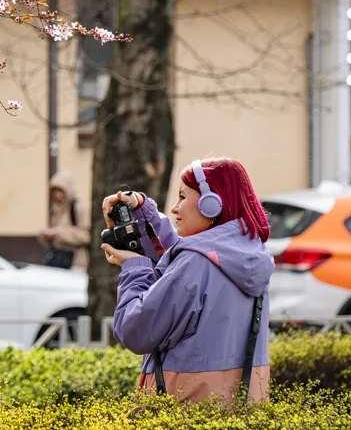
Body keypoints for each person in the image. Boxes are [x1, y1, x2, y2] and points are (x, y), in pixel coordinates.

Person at [99, 157, 273, 406]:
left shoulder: (194, 265)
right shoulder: (250, 252)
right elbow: (180, 261)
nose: (174, 208)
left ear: (211, 204)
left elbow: (134, 330)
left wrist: (133, 268)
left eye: (182, 197)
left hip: (185, 408)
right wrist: (141, 209)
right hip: (240, 407)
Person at [39, 170, 89, 270]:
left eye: (60, 191)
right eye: (54, 191)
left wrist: (58, 233)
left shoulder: (78, 207)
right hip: (57, 260)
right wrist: (47, 236)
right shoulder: (56, 209)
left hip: (76, 262)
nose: (57, 195)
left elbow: (86, 236)